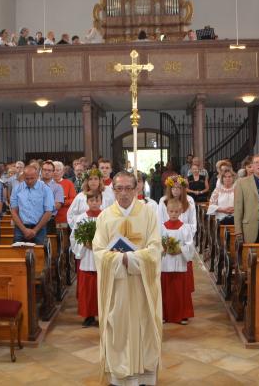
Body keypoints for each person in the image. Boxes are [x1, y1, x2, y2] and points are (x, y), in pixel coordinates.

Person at [92, 172, 162, 386]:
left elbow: (155, 247)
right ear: (112, 189)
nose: (123, 193)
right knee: (118, 326)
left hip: (143, 286)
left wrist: (130, 258)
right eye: (119, 188)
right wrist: (119, 260)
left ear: (136, 189)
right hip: (117, 286)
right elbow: (98, 250)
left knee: (144, 326)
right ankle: (119, 376)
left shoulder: (149, 213)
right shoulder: (105, 216)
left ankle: (144, 375)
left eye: (128, 188)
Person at [70, 191, 103, 327]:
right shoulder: (81, 218)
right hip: (87, 257)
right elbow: (74, 237)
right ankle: (88, 316)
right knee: (87, 289)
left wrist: (98, 244)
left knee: (101, 288)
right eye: (91, 200)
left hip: (101, 256)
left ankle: (102, 314)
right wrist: (84, 243)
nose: (94, 203)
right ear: (87, 202)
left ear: (101, 201)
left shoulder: (106, 216)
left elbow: (112, 235)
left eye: (97, 200)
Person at [160, 199, 195, 325]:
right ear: (167, 211)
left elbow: (190, 246)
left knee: (180, 289)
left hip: (180, 261)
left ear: (180, 212)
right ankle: (164, 314)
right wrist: (164, 248)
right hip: (166, 263)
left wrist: (180, 249)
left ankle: (182, 314)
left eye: (176, 211)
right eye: (171, 211)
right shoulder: (162, 227)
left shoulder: (185, 228)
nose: (173, 214)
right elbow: (157, 243)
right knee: (165, 289)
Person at [10, 165, 55, 245]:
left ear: (37, 176)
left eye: (32, 178)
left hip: (39, 228)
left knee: (39, 255)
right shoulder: (17, 189)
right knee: (18, 255)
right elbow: (14, 211)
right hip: (20, 227)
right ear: (23, 176)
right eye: (27, 178)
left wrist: (35, 230)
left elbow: (48, 212)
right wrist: (24, 229)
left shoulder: (45, 189)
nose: (29, 181)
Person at [41, 161, 65, 233]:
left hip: (49, 220)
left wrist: (39, 207)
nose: (46, 172)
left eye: (49, 170)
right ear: (41, 171)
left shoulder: (58, 187)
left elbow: (58, 205)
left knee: (49, 243)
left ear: (53, 172)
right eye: (45, 170)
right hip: (34, 219)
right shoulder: (35, 185)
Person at [53, 161, 77, 231]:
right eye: (54, 170)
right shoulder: (47, 184)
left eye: (58, 170)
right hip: (48, 218)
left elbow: (73, 200)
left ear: (62, 172)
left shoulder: (68, 183)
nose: (55, 172)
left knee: (63, 239)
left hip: (63, 217)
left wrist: (62, 202)